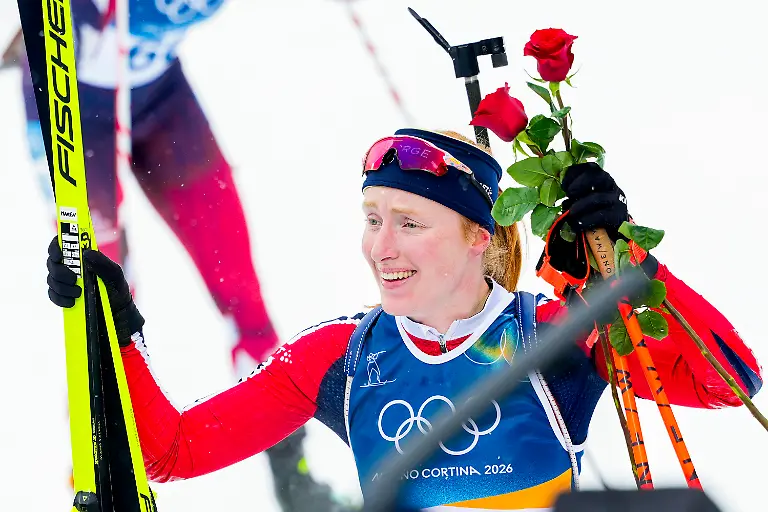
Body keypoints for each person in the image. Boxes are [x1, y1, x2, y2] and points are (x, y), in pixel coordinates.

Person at [46, 128, 763, 510]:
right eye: (372, 219)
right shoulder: (340, 357)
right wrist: (115, 326)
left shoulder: (550, 333)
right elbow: (170, 452)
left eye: (410, 223)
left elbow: (730, 380)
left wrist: (632, 262)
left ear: (479, 236)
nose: (380, 248)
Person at [22, 1, 348, 510]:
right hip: (75, 105)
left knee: (241, 289)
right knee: (100, 304)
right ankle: (101, 482)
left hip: (160, 94)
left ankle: (294, 476)